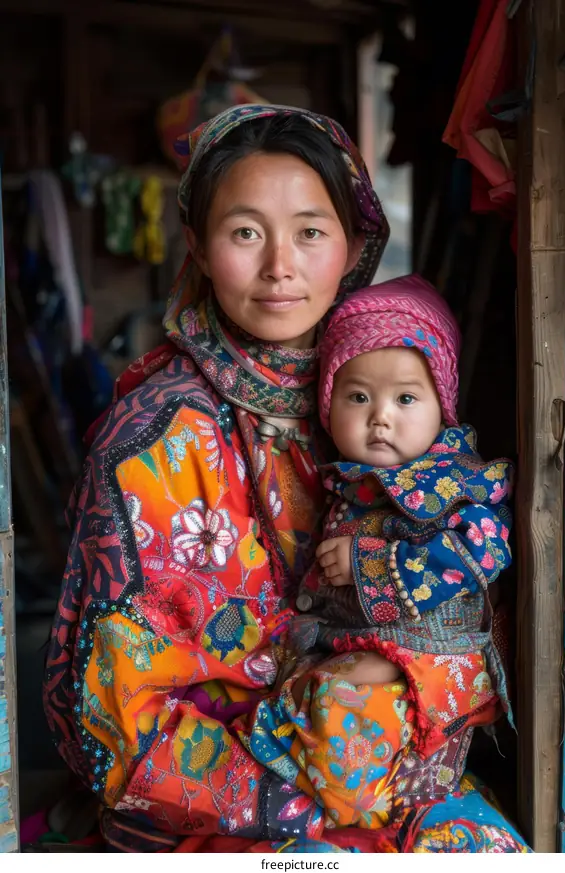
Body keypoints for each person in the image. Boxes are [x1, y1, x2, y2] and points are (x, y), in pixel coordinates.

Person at [43, 104, 530, 853]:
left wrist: (396, 727)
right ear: (198, 246)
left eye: (310, 232)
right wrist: (317, 797)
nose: (280, 265)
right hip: (227, 798)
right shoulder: (151, 438)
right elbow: (113, 721)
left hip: (397, 763)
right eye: (245, 232)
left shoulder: (390, 405)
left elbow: (466, 617)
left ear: (355, 244)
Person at [230, 277, 513, 830]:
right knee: (294, 682)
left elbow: (483, 550)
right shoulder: (348, 484)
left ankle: (352, 797)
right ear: (328, 404)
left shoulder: (454, 481)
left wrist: (370, 567)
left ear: (442, 406)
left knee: (349, 690)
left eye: (405, 399)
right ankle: (327, 786)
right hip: (362, 640)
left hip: (433, 653)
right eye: (358, 397)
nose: (380, 416)